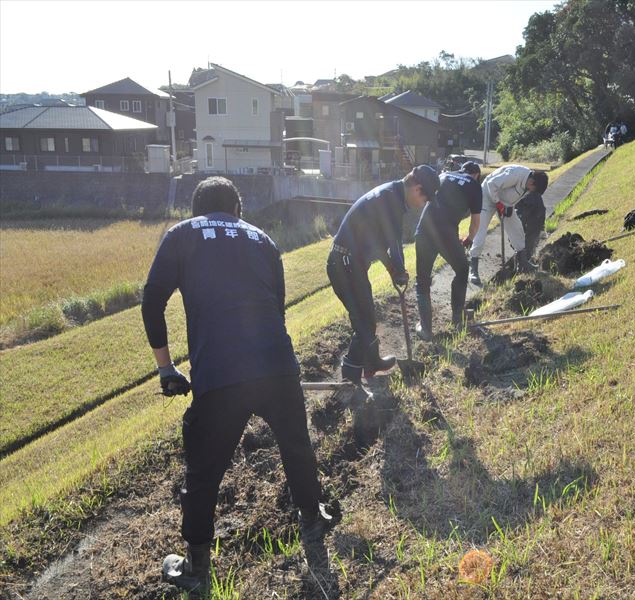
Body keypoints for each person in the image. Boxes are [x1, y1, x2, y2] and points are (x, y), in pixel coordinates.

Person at [141, 177, 329, 594]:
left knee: (204, 470)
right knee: (296, 445)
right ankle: (313, 522)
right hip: (278, 364)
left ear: (198, 209)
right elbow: (276, 307)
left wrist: (167, 368)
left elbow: (152, 300)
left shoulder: (182, 234)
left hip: (221, 373)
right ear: (238, 211)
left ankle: (196, 566)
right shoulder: (263, 239)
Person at [327, 165, 439, 384]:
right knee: (364, 322)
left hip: (349, 263)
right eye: (425, 199)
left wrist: (392, 270)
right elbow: (394, 244)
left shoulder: (391, 194)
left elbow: (378, 246)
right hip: (345, 263)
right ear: (417, 189)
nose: (423, 204)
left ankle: (371, 362)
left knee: (367, 316)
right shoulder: (392, 202)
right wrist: (400, 269)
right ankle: (350, 380)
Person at [413, 161, 482, 340]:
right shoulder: (474, 184)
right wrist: (469, 239)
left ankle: (426, 329)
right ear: (476, 175)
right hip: (445, 235)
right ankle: (457, 318)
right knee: (462, 269)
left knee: (422, 280)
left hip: (423, 230)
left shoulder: (444, 176)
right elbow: (475, 222)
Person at [468, 165, 546, 285]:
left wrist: (509, 206)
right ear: (532, 181)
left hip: (504, 202)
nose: (531, 191)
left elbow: (513, 196)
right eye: (532, 189)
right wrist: (497, 203)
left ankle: (523, 262)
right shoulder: (515, 174)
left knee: (517, 229)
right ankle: (473, 269)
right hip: (487, 197)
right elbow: (492, 184)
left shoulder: (529, 185)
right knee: (481, 231)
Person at [515, 171, 549, 262]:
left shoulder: (528, 198)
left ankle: (523, 265)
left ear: (533, 185)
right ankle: (526, 262)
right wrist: (542, 228)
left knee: (523, 249)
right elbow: (543, 213)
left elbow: (521, 215)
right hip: (534, 230)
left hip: (527, 229)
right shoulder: (538, 199)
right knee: (529, 249)